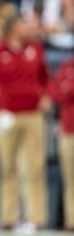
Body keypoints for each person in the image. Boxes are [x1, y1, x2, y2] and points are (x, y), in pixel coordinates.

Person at [0, 15, 49, 231]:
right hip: (7, 115)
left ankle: (36, 219)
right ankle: (9, 218)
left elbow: (44, 77)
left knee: (34, 168)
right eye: (22, 25)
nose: (27, 29)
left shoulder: (35, 49)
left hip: (33, 115)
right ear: (12, 29)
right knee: (7, 167)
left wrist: (44, 95)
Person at [49, 56, 74, 231]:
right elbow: (56, 94)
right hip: (68, 130)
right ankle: (71, 221)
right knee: (70, 180)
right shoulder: (67, 66)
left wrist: (69, 88)